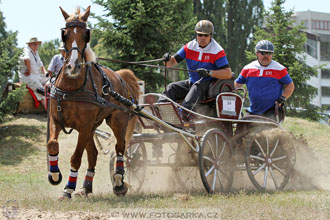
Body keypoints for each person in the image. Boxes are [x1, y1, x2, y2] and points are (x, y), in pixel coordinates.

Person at [159, 20, 232, 120]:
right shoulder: (189, 47)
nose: (202, 38)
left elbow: (228, 73)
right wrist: (166, 59)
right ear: (196, 35)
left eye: (206, 35)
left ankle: (183, 114)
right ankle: (159, 110)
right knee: (172, 87)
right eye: (200, 35)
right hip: (192, 83)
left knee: (197, 86)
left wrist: (209, 73)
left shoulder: (217, 51)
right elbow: (171, 63)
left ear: (211, 35)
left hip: (208, 86)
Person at [234, 40, 295, 121]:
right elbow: (237, 84)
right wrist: (232, 94)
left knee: (267, 131)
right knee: (242, 128)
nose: (266, 56)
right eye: (263, 53)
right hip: (253, 110)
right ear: (256, 53)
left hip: (272, 110)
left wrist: (283, 98)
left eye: (269, 53)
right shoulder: (248, 68)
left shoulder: (280, 69)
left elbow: (290, 85)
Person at [19, 37, 49, 109]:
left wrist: (46, 73)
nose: (36, 46)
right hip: (28, 78)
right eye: (34, 44)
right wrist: (29, 71)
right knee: (41, 92)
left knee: (51, 80)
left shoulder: (35, 52)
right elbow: (26, 59)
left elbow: (41, 65)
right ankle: (49, 112)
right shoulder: (26, 50)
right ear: (30, 44)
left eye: (37, 44)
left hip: (36, 76)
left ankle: (48, 91)